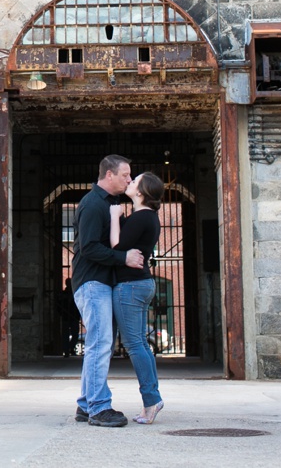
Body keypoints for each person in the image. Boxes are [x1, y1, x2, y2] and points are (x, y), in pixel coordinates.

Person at [71, 155, 144, 428]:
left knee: (99, 343)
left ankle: (85, 404)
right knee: (100, 344)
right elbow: (88, 247)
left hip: (98, 282)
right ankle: (99, 408)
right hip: (92, 282)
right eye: (125, 175)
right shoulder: (92, 205)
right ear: (109, 175)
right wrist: (123, 258)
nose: (128, 180)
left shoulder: (110, 204)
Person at [109, 171, 166, 425]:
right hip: (142, 283)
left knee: (134, 346)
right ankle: (152, 399)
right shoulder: (149, 217)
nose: (130, 182)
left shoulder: (141, 216)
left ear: (141, 192)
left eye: (135, 181)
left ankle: (151, 400)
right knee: (141, 344)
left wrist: (114, 217)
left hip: (130, 285)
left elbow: (116, 247)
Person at [58, 278, 79, 357]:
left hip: (74, 317)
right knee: (65, 335)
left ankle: (70, 347)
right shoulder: (63, 294)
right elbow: (59, 305)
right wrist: (61, 313)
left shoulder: (76, 293)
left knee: (75, 334)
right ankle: (67, 350)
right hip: (66, 317)